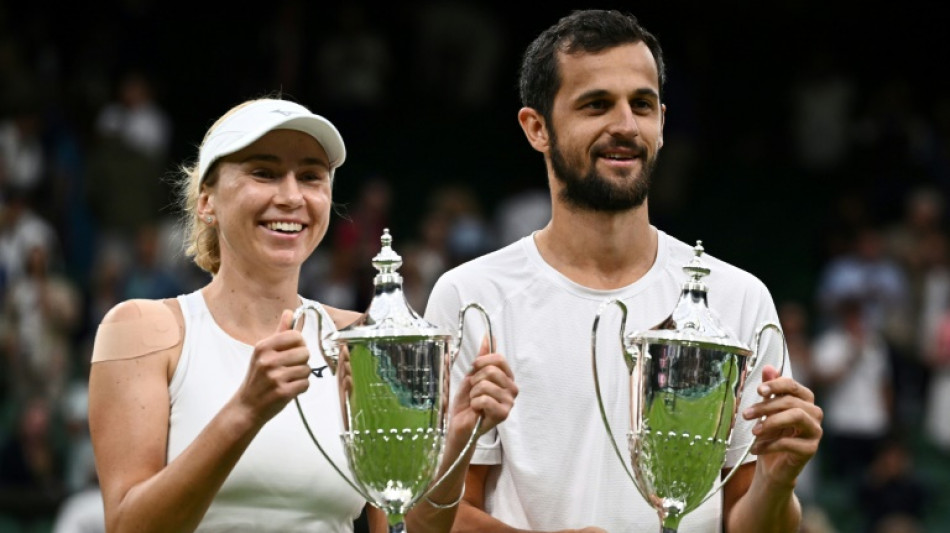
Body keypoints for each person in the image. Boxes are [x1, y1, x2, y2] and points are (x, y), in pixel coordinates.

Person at [423, 10, 822, 532]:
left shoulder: (738, 299)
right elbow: (439, 518)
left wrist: (777, 481)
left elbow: (748, 522)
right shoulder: (472, 296)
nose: (625, 126)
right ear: (536, 127)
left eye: (642, 104)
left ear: (661, 122)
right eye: (596, 105)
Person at [87, 97, 517, 532]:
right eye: (264, 172)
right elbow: (127, 527)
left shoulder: (359, 335)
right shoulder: (142, 328)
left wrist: (459, 438)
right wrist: (245, 410)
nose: (291, 196)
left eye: (310, 176)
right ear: (206, 202)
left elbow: (407, 527)